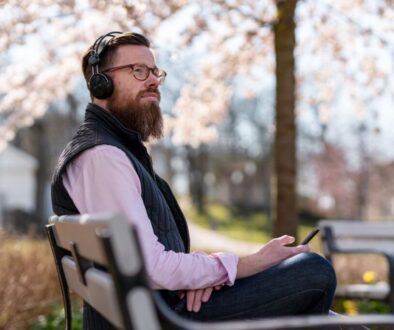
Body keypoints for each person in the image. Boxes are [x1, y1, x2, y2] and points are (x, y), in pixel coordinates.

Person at [51, 31, 336, 329]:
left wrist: (207, 278)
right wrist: (250, 263)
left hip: (162, 310)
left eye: (155, 72)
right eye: (138, 70)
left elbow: (151, 263)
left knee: (316, 296)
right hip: (164, 320)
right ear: (101, 83)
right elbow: (152, 266)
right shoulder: (102, 157)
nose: (152, 80)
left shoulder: (116, 151)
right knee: (313, 272)